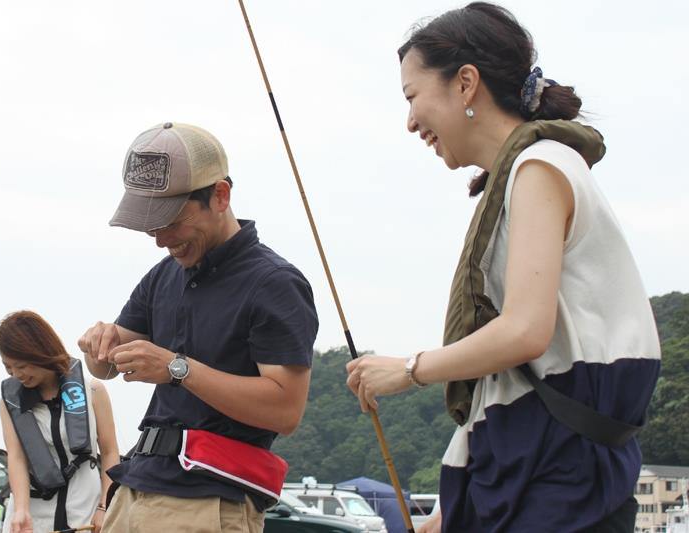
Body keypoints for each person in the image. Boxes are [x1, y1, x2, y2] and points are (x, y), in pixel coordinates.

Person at [345, 3, 660, 532]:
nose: (409, 121)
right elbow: (517, 377)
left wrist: (408, 369)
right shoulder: (524, 173)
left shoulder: (538, 168)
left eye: (412, 97)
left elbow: (525, 333)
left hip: (559, 481)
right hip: (540, 472)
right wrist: (449, 512)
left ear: (465, 83)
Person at [78, 121, 318, 532]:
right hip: (135, 487)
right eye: (151, 225)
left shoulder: (275, 283)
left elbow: (285, 410)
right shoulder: (163, 276)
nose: (160, 239)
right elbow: (110, 365)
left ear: (220, 196)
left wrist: (177, 368)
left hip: (209, 497)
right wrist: (97, 349)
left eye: (171, 220)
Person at [0, 310, 120, 533]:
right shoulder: (10, 403)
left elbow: (110, 452)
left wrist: (105, 506)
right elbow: (16, 457)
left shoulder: (93, 390)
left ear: (40, 353)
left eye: (21, 366)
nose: (16, 374)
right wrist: (21, 510)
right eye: (8, 367)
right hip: (32, 519)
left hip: (84, 513)